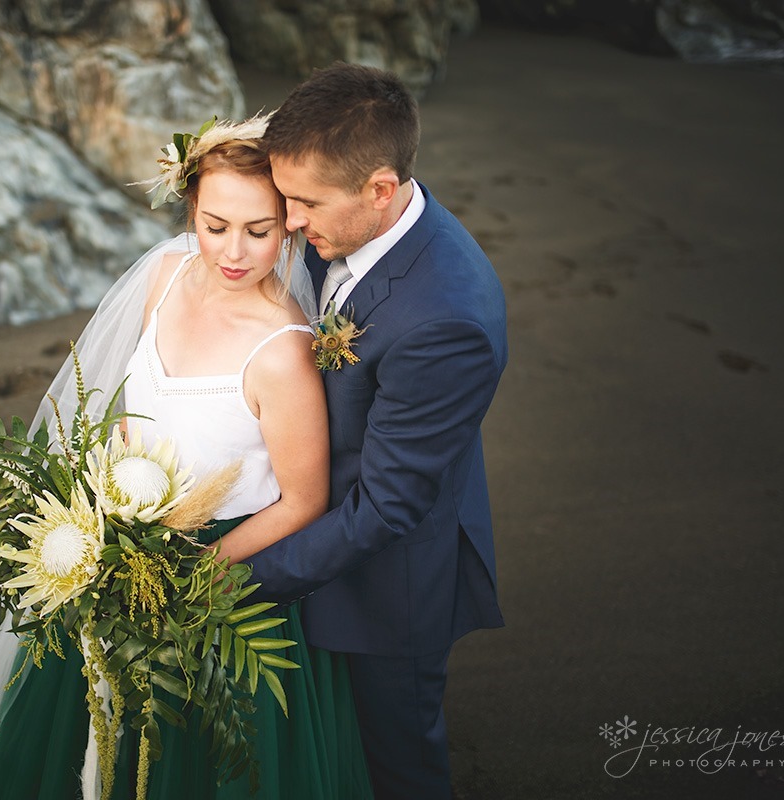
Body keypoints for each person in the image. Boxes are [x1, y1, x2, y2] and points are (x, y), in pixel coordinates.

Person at [0, 116, 372, 799]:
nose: (234, 252)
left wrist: (187, 574)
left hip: (217, 577)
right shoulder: (164, 277)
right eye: (216, 225)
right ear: (192, 209)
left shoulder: (282, 354)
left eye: (260, 229)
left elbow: (304, 501)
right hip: (122, 538)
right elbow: (129, 410)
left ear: (287, 227)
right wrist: (110, 521)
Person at [244, 63, 509, 800]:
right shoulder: (363, 222)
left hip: (389, 585)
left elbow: (388, 507)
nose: (289, 223)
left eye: (303, 204)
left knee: (395, 765)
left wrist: (238, 582)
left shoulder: (445, 320)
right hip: (327, 527)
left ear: (381, 190)